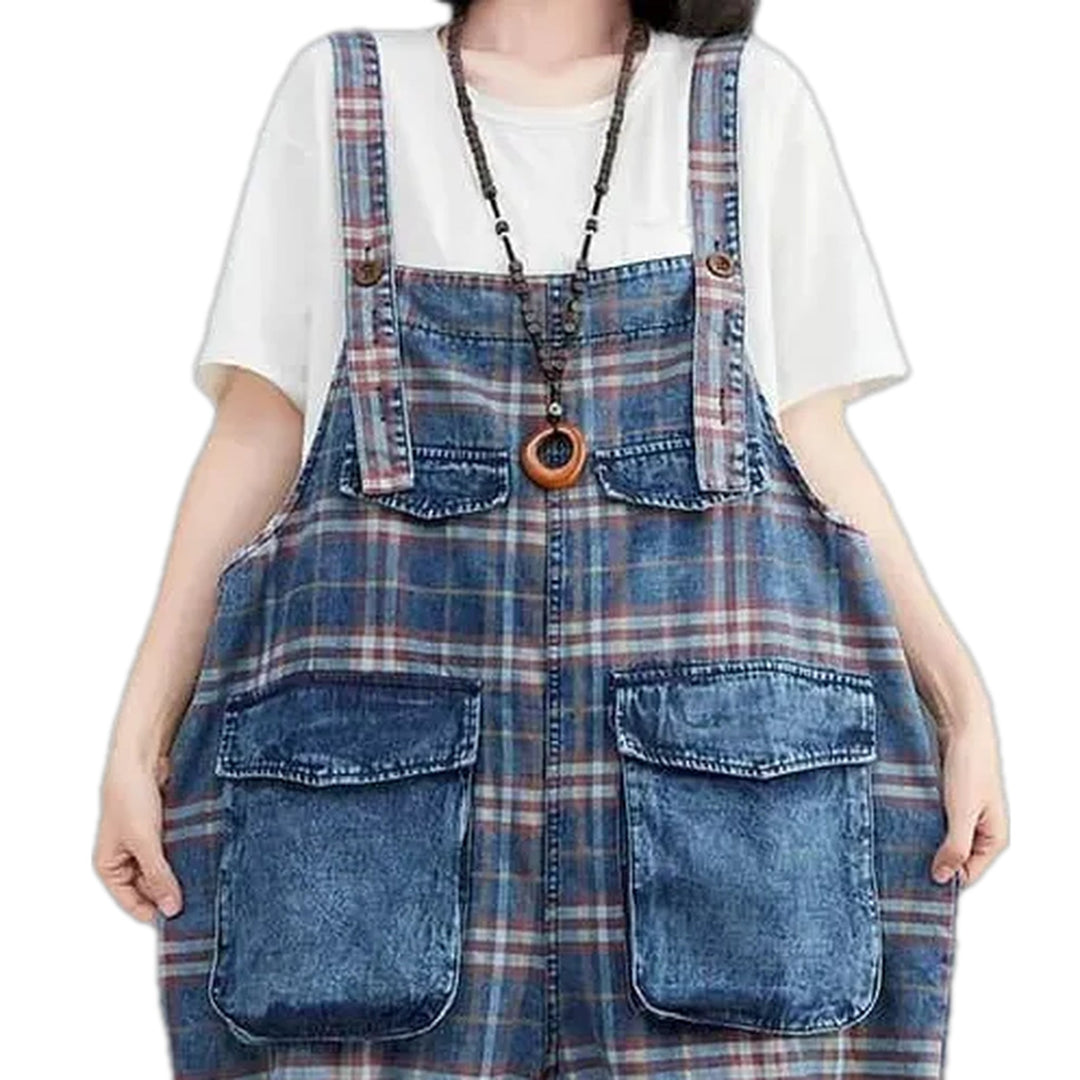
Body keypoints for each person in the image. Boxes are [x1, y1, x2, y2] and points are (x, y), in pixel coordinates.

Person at [94, 1, 1008, 1077]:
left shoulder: (745, 102)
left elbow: (814, 441)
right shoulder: (344, 97)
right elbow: (258, 432)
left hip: (728, 833)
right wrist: (138, 735)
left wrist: (962, 701)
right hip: (369, 831)